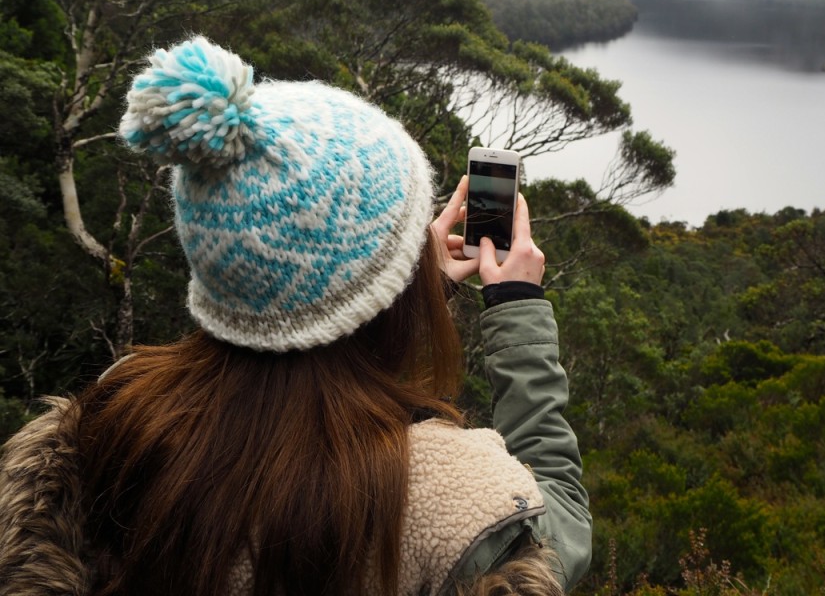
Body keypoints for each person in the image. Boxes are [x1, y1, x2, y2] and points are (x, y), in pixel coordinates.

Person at [0, 37, 591, 596]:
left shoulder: (109, 418)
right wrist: (515, 308)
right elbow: (556, 520)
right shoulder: (456, 494)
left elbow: (305, 311)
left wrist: (399, 280)